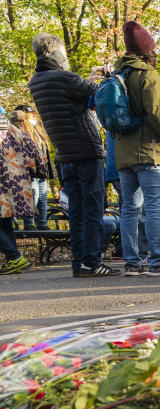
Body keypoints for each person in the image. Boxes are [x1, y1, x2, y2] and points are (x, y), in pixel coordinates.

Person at [28, 33, 117, 276]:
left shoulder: (37, 81)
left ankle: (80, 262)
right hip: (86, 150)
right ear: (57, 52)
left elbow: (74, 98)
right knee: (93, 208)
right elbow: (100, 94)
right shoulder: (65, 78)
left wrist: (86, 79)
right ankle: (91, 261)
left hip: (65, 155)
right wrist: (108, 75)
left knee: (76, 211)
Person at [114, 21, 160, 276]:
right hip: (151, 152)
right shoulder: (147, 74)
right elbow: (159, 114)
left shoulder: (118, 74)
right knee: (156, 207)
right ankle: (157, 261)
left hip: (124, 153)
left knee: (129, 210)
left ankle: (132, 263)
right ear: (148, 50)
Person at [0, 106, 43, 275]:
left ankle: (14, 257)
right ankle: (14, 259)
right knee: (4, 221)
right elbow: (35, 153)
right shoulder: (14, 130)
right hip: (16, 185)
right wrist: (38, 172)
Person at [11, 106, 53, 231]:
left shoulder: (37, 131)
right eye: (31, 114)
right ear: (23, 115)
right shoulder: (18, 130)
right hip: (28, 171)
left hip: (40, 171)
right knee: (31, 195)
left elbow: (45, 152)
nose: (35, 116)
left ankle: (42, 223)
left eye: (35, 113)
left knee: (42, 197)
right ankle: (29, 224)